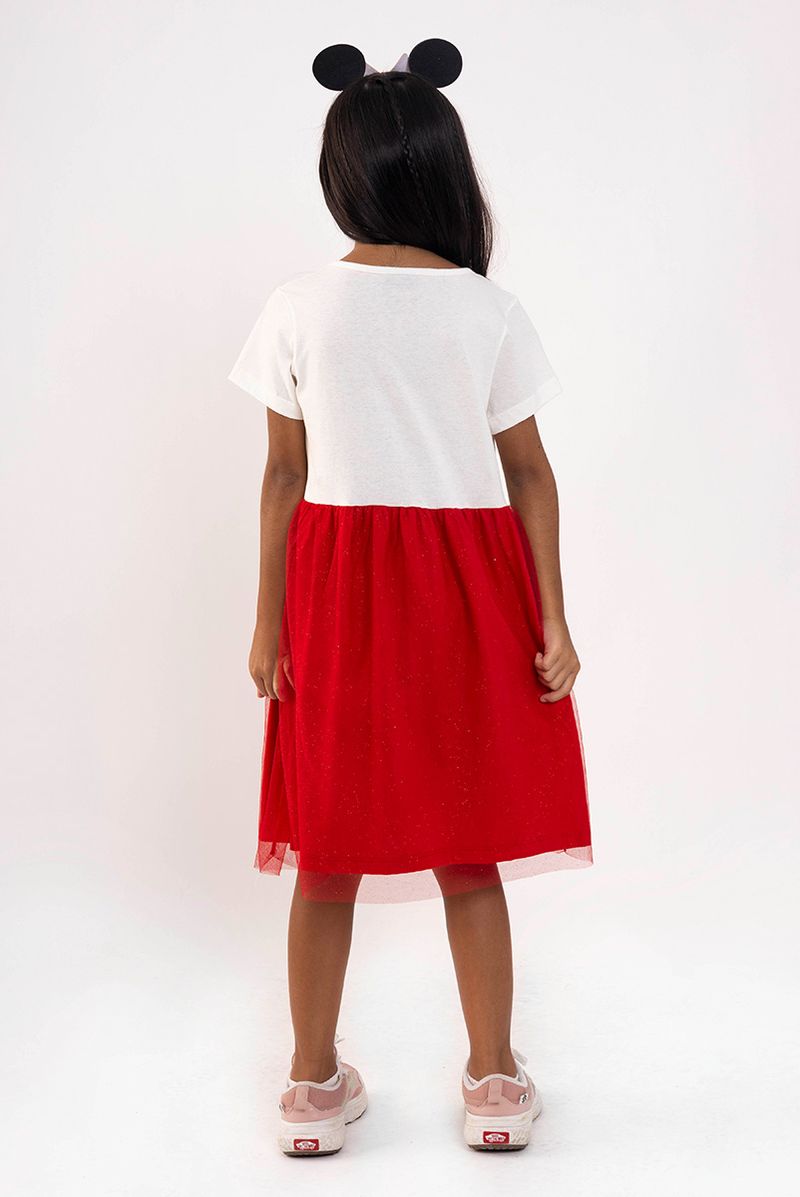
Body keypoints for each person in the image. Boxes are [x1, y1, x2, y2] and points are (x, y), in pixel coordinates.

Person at [227, 39, 593, 1156]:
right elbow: (531, 474)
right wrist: (552, 618)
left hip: (337, 591)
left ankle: (309, 1087)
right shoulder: (484, 308)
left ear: (340, 173)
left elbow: (283, 477)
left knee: (325, 849)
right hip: (466, 593)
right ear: (444, 168)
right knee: (468, 842)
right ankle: (494, 1082)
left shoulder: (298, 305)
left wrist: (267, 622)